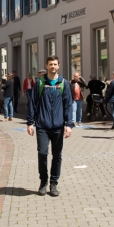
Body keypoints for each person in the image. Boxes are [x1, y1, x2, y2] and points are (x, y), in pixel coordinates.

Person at [27, 55, 73, 197]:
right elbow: (32, 103)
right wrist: (30, 122)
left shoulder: (63, 83)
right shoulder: (40, 83)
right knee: (42, 154)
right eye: (50, 64)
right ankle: (43, 182)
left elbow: (68, 105)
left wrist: (69, 124)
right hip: (42, 126)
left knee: (57, 156)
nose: (53, 66)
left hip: (58, 126)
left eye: (55, 64)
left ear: (58, 66)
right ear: (46, 66)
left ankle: (54, 183)